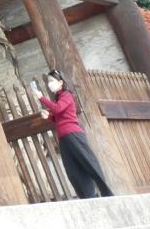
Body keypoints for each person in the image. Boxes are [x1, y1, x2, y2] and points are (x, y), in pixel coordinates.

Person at [36, 69, 113, 199]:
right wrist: (48, 116)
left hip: (73, 134)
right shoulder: (59, 97)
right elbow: (59, 117)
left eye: (51, 80)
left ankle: (107, 193)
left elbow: (58, 109)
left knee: (89, 162)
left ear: (60, 82)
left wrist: (41, 98)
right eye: (48, 81)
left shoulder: (67, 95)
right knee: (73, 171)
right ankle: (87, 197)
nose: (49, 83)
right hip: (64, 138)